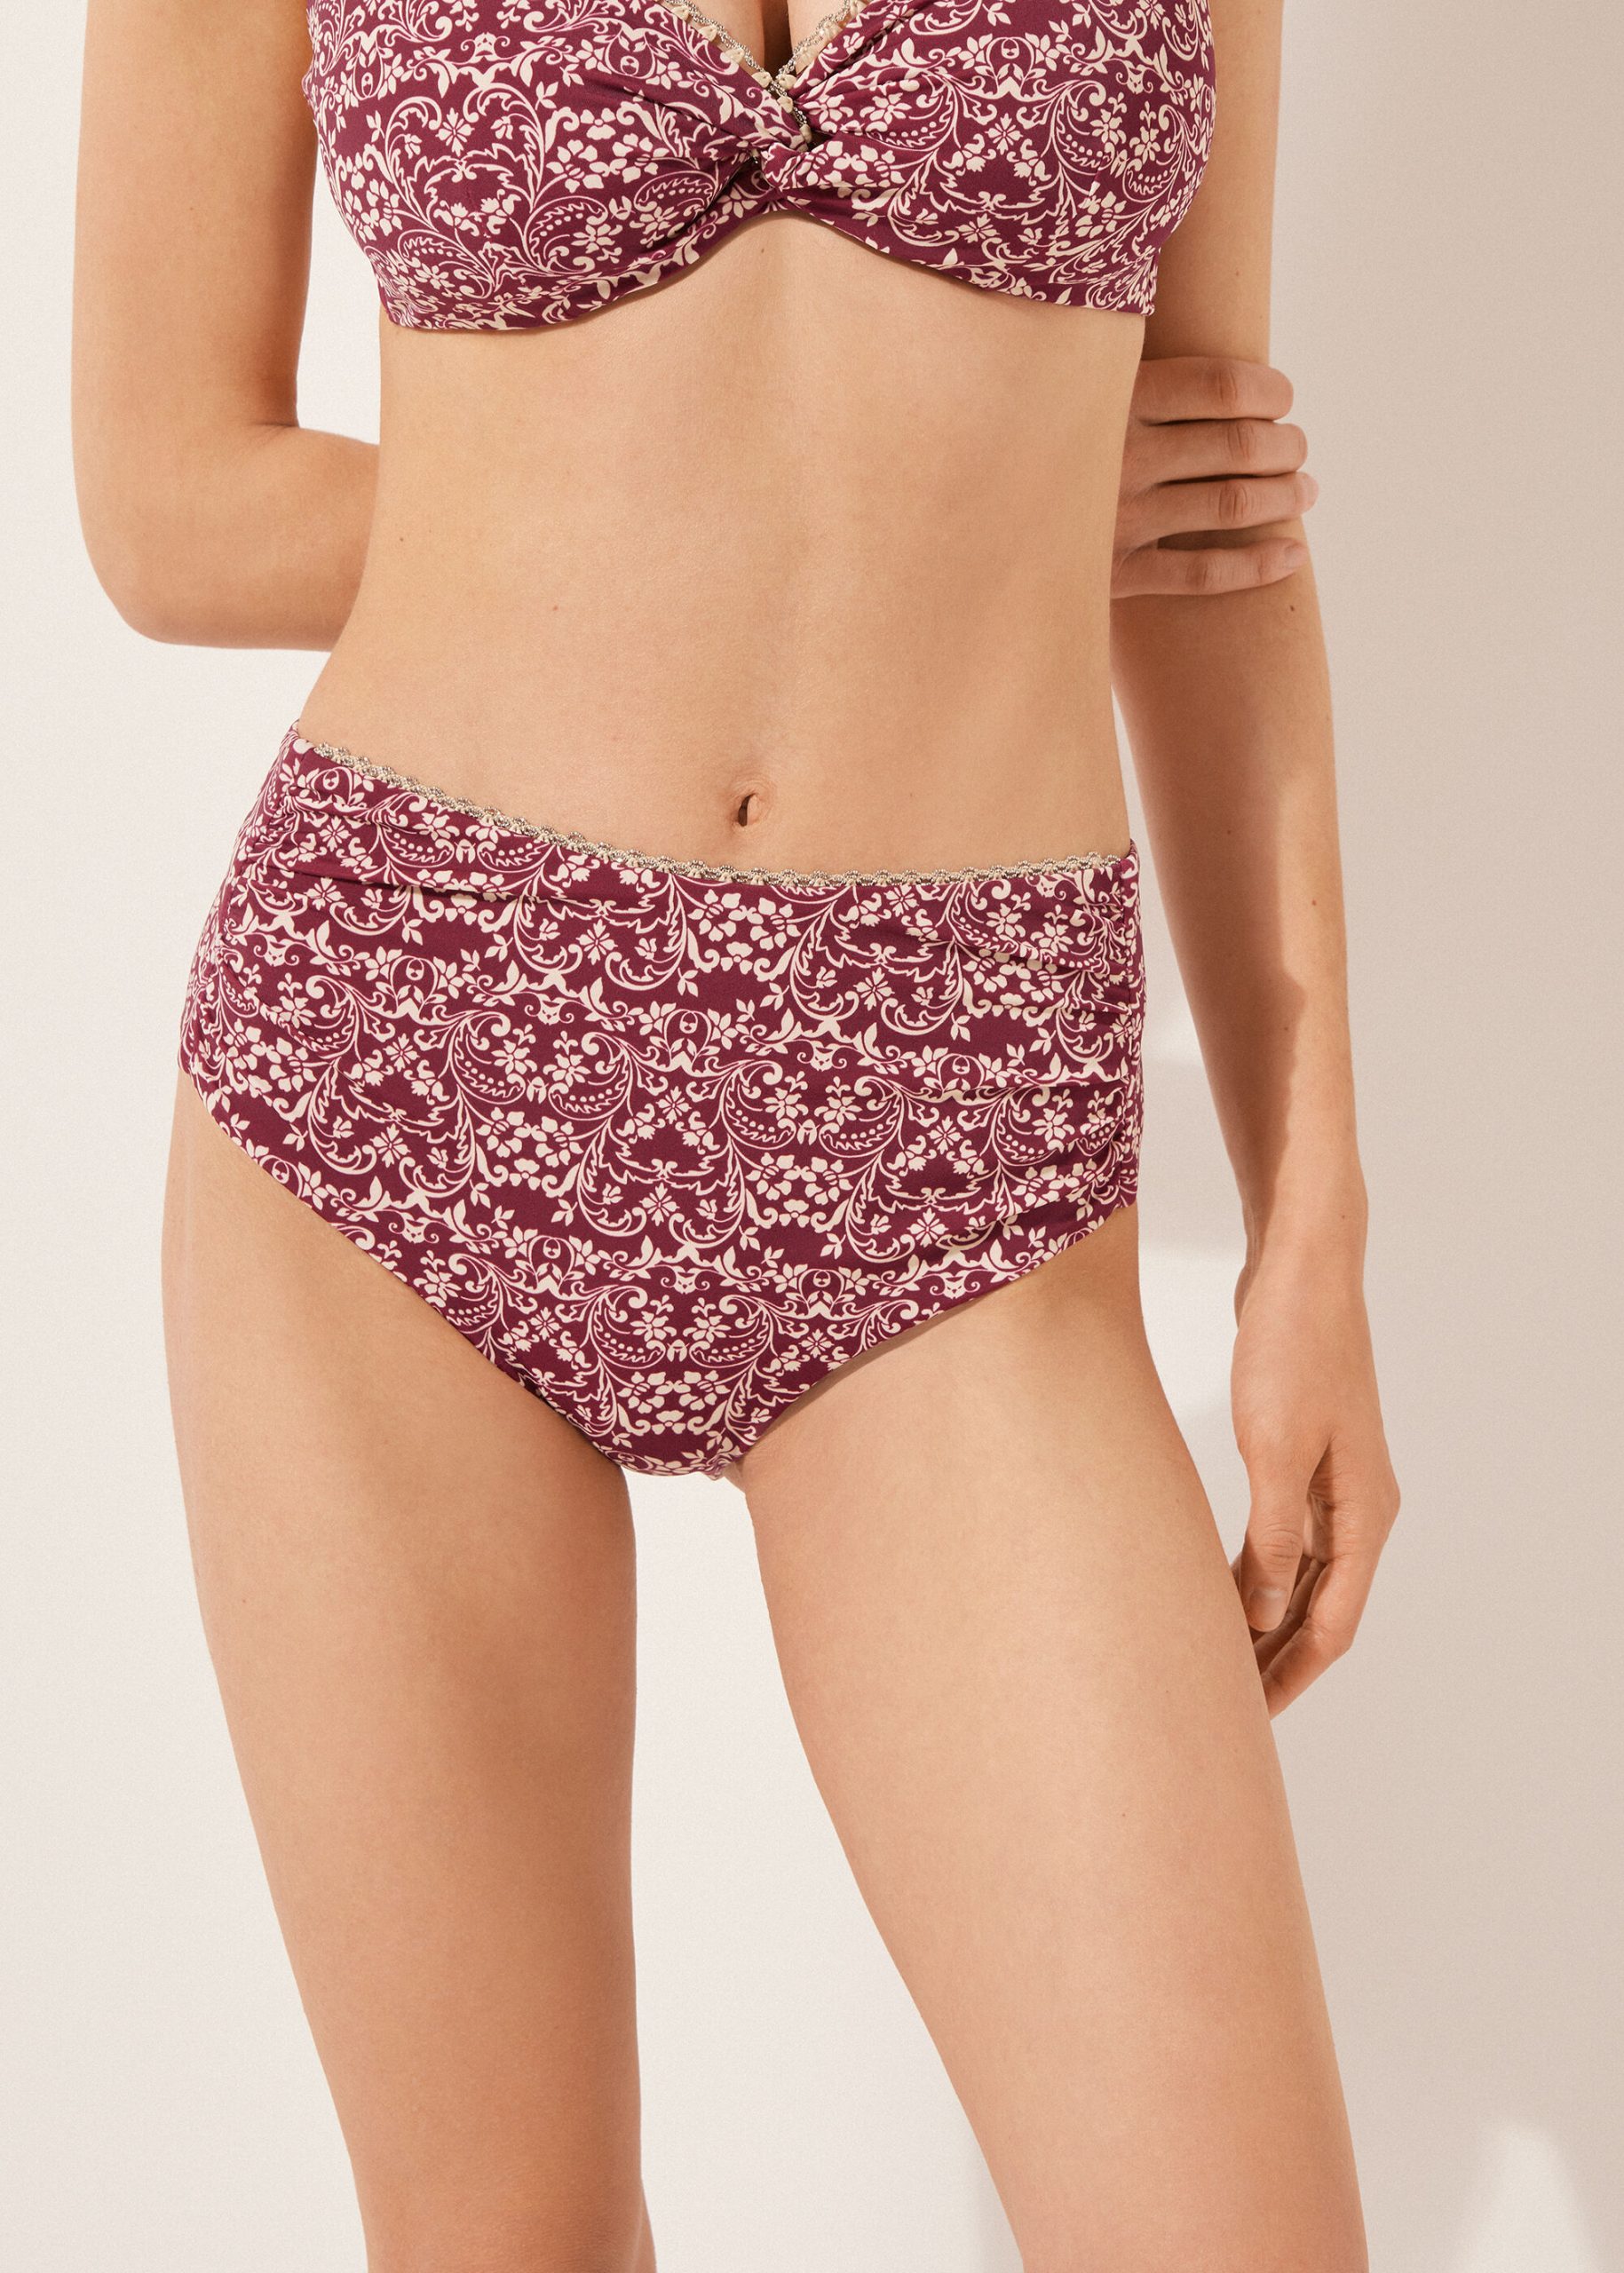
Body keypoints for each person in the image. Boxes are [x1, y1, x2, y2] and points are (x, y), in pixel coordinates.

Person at [73, 0, 1399, 2264]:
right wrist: (963, 519)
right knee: (507, 2232)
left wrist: (1314, 1222)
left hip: (961, 1145)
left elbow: (1215, 533)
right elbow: (164, 498)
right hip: (400, 1084)